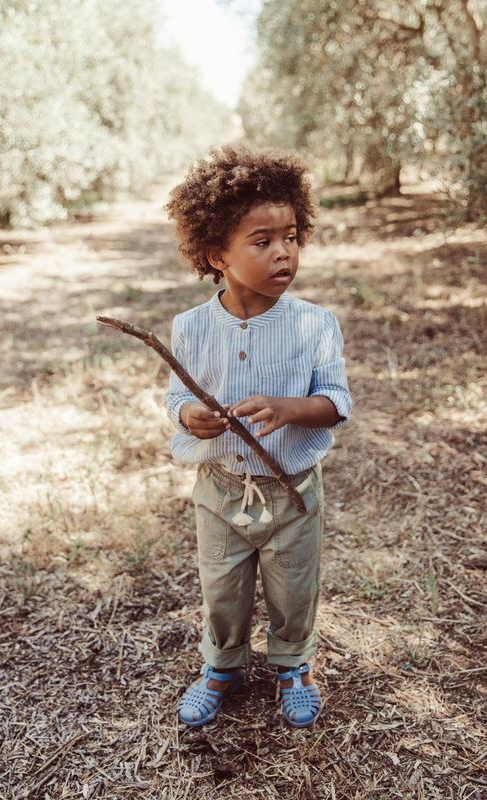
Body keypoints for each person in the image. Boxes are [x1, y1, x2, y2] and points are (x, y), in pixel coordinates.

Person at [163, 145, 351, 729]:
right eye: (262, 241)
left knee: (294, 587)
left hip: (292, 491)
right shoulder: (191, 328)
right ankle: (222, 666)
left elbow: (336, 403)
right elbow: (176, 399)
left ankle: (294, 665)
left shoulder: (314, 324)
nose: (283, 252)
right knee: (222, 587)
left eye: (291, 236)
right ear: (218, 253)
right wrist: (190, 414)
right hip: (220, 491)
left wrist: (290, 407)